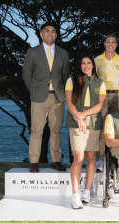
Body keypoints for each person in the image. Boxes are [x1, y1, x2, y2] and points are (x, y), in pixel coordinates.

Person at [22, 22, 69, 173]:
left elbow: (65, 75)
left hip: (57, 97)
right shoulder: (33, 52)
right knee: (36, 130)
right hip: (38, 97)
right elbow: (26, 74)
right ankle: (34, 162)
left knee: (56, 131)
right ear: (41, 34)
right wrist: (34, 90)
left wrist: (60, 90)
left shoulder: (63, 53)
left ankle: (56, 161)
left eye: (53, 31)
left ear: (56, 34)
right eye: (47, 31)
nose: (50, 33)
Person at [65, 55, 106, 209]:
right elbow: (69, 102)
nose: (86, 66)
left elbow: (100, 105)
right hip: (76, 121)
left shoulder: (100, 83)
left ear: (93, 66)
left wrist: (85, 115)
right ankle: (75, 195)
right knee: (78, 158)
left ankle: (87, 191)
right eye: (83, 63)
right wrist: (79, 117)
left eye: (89, 63)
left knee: (91, 158)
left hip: (93, 122)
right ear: (79, 65)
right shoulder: (71, 80)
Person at [94, 34, 119, 171]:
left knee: (116, 128)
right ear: (104, 44)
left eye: (113, 42)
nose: (110, 44)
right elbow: (94, 80)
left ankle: (116, 159)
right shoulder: (97, 61)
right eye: (107, 42)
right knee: (102, 127)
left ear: (116, 45)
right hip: (102, 96)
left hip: (118, 96)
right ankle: (101, 160)